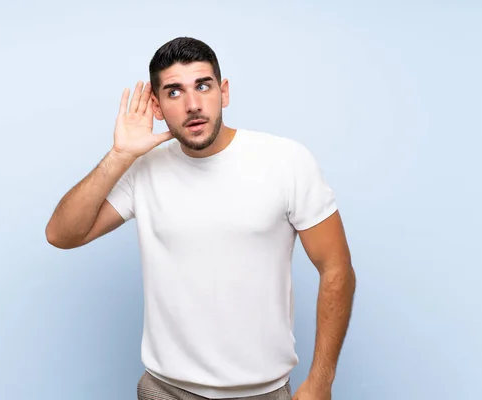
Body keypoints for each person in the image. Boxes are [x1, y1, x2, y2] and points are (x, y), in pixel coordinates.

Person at [45, 37, 356, 400]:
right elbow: (62, 235)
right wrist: (119, 155)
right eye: (174, 92)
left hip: (262, 391)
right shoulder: (144, 169)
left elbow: (336, 267)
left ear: (223, 92)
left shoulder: (285, 161)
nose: (193, 105)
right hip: (165, 390)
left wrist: (321, 380)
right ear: (157, 107)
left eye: (203, 86)